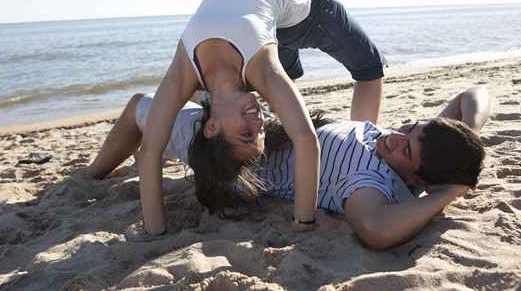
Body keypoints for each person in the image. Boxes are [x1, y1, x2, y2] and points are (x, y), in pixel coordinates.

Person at [90, 0, 385, 237]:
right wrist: (303, 219)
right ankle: (359, 140)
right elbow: (304, 138)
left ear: (212, 125)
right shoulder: (262, 71)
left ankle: (359, 131)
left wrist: (156, 231)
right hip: (265, 34)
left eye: (246, 134)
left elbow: (151, 152)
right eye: (260, 135)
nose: (259, 124)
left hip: (306, 18)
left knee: (369, 67)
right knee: (285, 85)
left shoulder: (183, 74)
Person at [88, 86, 490, 249]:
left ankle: (91, 176)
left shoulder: (370, 182)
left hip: (232, 153)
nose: (394, 137)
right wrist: (468, 137)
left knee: (141, 108)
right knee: (198, 86)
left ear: (418, 179)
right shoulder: (411, 151)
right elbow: (474, 94)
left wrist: (449, 192)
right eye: (409, 129)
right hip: (265, 129)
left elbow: (376, 230)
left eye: (407, 149)